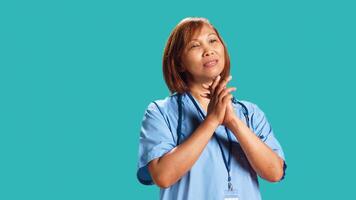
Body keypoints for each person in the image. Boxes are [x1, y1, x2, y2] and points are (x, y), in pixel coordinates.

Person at [136, 17, 287, 200]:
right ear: (179, 63)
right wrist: (212, 121)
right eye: (194, 46)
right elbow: (162, 176)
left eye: (213, 40)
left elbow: (274, 173)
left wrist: (233, 122)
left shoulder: (249, 113)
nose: (208, 50)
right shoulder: (160, 111)